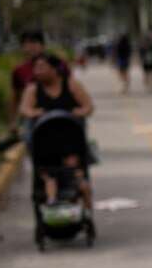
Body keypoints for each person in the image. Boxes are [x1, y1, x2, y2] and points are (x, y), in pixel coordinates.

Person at [19, 54, 95, 211]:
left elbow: (88, 106)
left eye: (42, 67)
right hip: (45, 144)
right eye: (36, 68)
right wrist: (34, 112)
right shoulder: (33, 90)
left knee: (80, 179)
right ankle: (52, 202)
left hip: (70, 141)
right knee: (49, 177)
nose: (37, 71)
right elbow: (25, 109)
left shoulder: (71, 85)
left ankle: (87, 209)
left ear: (54, 69)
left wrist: (77, 112)